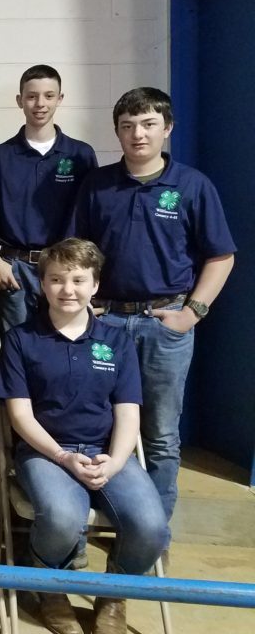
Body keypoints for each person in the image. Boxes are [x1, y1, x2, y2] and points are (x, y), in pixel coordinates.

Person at [71, 87, 235, 524]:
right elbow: (76, 255)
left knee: (160, 435)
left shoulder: (192, 186)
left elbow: (221, 256)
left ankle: (152, 535)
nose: (137, 135)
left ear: (167, 128)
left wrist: (190, 314)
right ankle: (102, 520)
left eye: (147, 124)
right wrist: (86, 307)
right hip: (105, 326)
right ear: (117, 133)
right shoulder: (97, 185)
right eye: (127, 127)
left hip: (164, 327)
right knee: (97, 429)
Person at [0, 239, 169, 634]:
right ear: (42, 284)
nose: (67, 289)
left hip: (108, 452)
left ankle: (114, 593)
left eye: (78, 279)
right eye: (56, 279)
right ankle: (50, 587)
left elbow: (128, 413)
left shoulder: (116, 341)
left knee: (152, 528)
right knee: (62, 519)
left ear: (95, 285)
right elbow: (19, 415)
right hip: (45, 452)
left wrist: (117, 460)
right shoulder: (23, 340)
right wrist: (62, 457)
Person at [0, 65, 97, 334]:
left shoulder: (81, 154)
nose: (40, 103)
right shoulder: (0, 156)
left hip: (65, 268)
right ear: (20, 100)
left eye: (49, 96)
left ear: (60, 99)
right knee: (17, 346)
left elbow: (92, 214)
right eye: (31, 96)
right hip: (14, 269)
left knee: (64, 342)